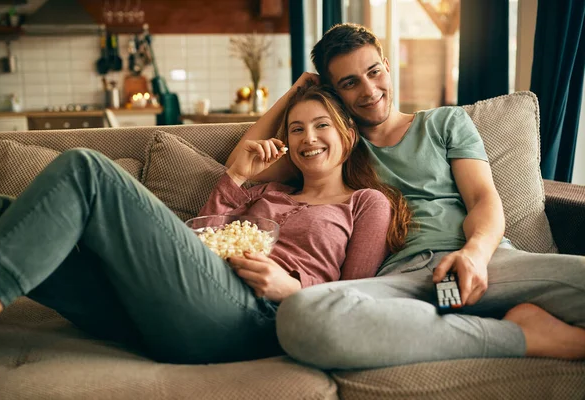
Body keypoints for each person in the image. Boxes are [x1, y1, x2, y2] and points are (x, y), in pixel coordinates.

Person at [226, 23, 585, 369]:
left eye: (374, 71)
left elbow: (482, 199)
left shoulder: (445, 122)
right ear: (335, 93)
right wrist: (299, 93)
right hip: (395, 282)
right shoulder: (334, 145)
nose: (368, 90)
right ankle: (520, 336)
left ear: (386, 63)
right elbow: (245, 166)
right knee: (301, 317)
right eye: (350, 83)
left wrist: (474, 255)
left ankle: (444, 329)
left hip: (482, 262)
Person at [0, 83, 411, 365]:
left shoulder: (366, 203)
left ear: (348, 137)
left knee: (85, 169)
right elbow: (205, 232)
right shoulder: (267, 193)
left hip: (252, 320)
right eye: (296, 129)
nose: (308, 138)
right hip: (172, 307)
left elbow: (360, 296)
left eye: (322, 126)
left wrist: (294, 291)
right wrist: (238, 176)